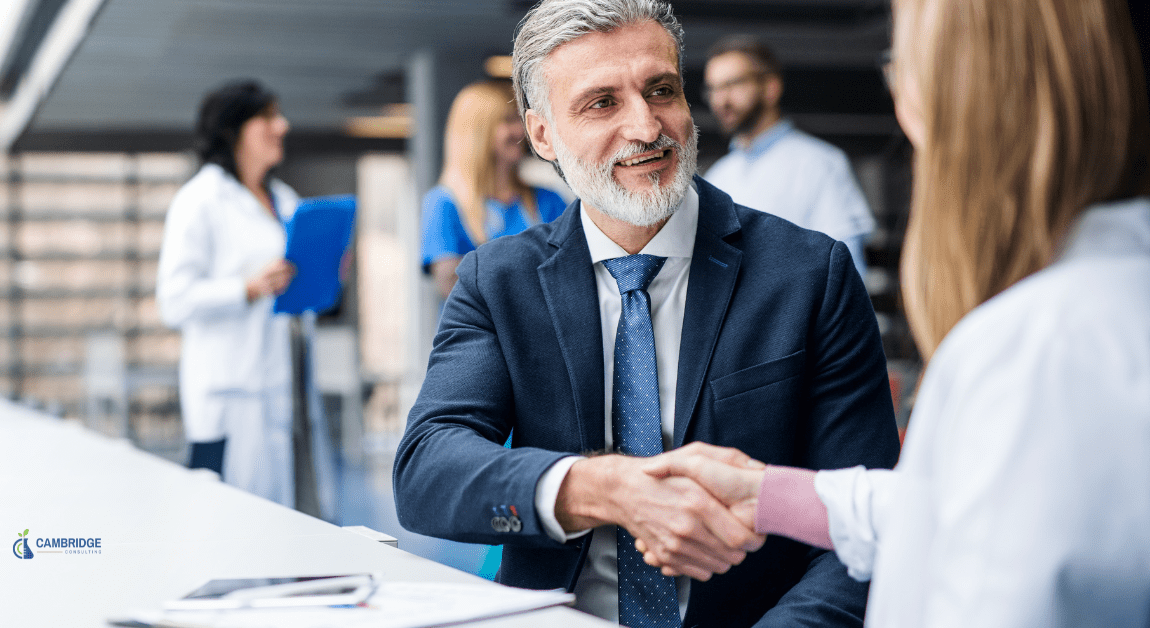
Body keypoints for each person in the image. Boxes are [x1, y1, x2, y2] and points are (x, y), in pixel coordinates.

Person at [640, 0, 1150, 625]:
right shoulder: (1085, 312)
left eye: (900, 65)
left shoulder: (1029, 348)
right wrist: (773, 496)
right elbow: (970, 510)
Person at [393, 1, 900, 626]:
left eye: (661, 90)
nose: (645, 126)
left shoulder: (807, 275)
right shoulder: (499, 281)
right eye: (601, 102)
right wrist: (603, 488)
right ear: (543, 134)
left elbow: (867, 526)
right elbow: (428, 471)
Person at [157, 80, 337, 516]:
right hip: (232, 395)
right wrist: (247, 288)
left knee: (297, 519)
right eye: (269, 117)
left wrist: (325, 270)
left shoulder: (284, 199)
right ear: (234, 129)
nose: (283, 125)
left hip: (287, 388)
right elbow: (174, 300)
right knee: (233, 524)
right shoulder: (200, 200)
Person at [702, 36, 875, 276]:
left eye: (733, 84)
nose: (722, 100)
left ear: (771, 87)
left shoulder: (821, 164)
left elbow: (847, 272)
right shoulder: (717, 177)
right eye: (713, 89)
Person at [421, 79, 568, 300]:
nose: (521, 130)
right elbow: (454, 289)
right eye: (508, 120)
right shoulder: (444, 204)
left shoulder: (549, 200)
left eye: (520, 119)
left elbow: (572, 272)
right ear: (478, 132)